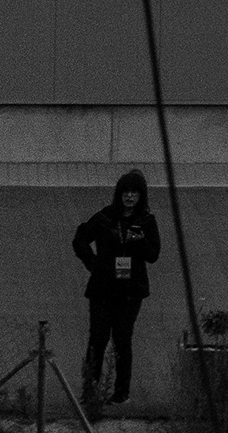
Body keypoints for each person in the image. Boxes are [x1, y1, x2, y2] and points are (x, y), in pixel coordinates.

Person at [71, 168, 163, 407]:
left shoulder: (146, 221)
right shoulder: (105, 217)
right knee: (97, 339)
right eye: (125, 192)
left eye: (134, 193)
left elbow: (153, 255)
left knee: (122, 339)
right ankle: (90, 391)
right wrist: (92, 262)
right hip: (103, 288)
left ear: (141, 196)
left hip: (131, 291)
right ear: (119, 194)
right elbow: (80, 238)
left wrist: (139, 240)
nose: (129, 197)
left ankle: (121, 392)